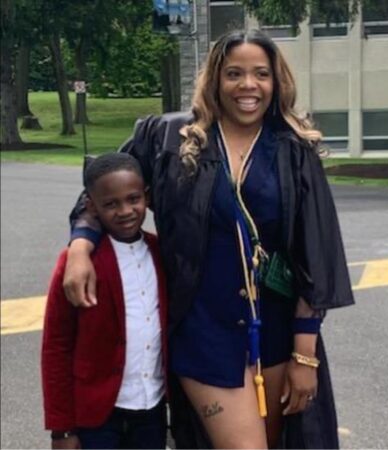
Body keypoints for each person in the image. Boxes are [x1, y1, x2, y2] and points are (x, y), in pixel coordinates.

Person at [63, 29, 355, 449]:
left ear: (277, 81)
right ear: (215, 78)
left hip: (274, 331)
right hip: (203, 332)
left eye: (261, 74)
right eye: (234, 73)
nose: (248, 86)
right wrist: (80, 246)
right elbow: (102, 191)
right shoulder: (169, 138)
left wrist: (304, 355)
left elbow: (314, 253)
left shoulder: (293, 151)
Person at [41, 153, 168, 449]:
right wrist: (61, 429)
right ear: (91, 207)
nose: (125, 211)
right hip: (96, 419)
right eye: (110, 204)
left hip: (152, 411)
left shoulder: (161, 253)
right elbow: (56, 348)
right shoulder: (76, 264)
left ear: (146, 198)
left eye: (133, 199)